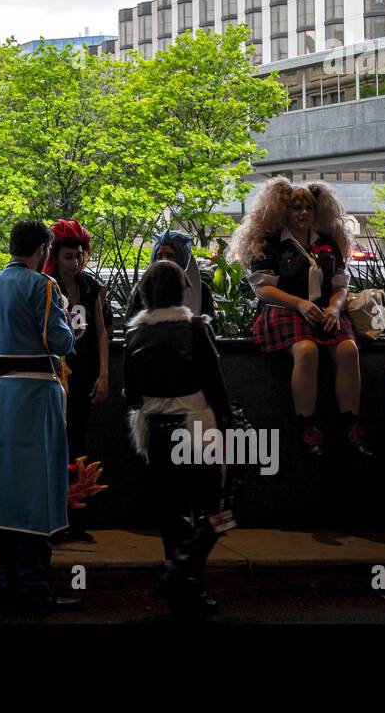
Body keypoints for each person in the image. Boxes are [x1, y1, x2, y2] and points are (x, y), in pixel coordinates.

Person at [0, 220, 79, 611]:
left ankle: (8, 580)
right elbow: (60, 340)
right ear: (42, 250)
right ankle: (35, 586)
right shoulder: (45, 286)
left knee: (5, 483)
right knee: (40, 484)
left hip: (3, 391)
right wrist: (66, 316)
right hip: (37, 391)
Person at [228, 178, 369, 457]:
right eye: (296, 207)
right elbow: (263, 289)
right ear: (283, 210)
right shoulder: (269, 243)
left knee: (348, 350)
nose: (304, 212)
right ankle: (307, 425)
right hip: (282, 310)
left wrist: (334, 308)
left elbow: (340, 288)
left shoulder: (327, 243)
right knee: (306, 350)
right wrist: (300, 304)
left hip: (323, 312)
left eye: (309, 207)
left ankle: (351, 424)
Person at [124, 260, 231, 618]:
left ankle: (179, 589)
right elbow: (216, 386)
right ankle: (186, 579)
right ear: (182, 290)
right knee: (214, 512)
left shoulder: (134, 335)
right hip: (197, 426)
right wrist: (230, 426)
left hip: (155, 430)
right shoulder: (197, 328)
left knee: (171, 517)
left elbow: (131, 394)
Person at [43, 218, 110, 543]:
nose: (76, 261)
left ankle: (76, 519)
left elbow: (101, 332)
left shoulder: (91, 287)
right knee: (54, 447)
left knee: (78, 448)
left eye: (80, 255)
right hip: (53, 378)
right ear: (56, 256)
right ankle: (53, 519)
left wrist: (104, 374)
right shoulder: (45, 285)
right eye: (69, 255)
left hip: (83, 379)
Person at [127, 230, 216, 321]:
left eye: (170, 255)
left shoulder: (201, 289)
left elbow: (211, 324)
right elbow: (129, 323)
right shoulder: (142, 287)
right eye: (159, 255)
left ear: (181, 258)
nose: (164, 259)